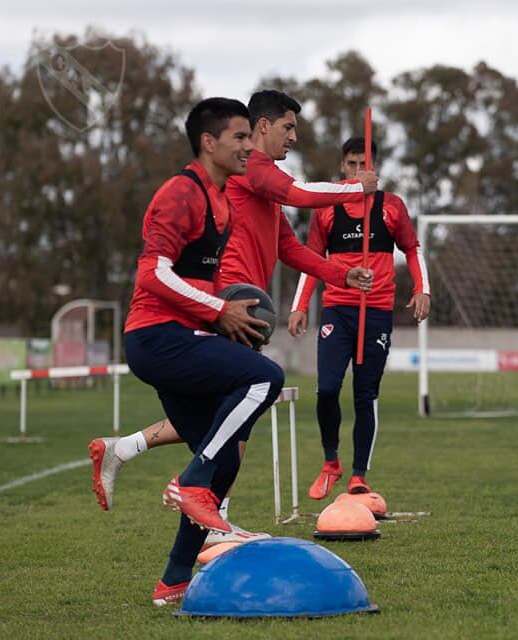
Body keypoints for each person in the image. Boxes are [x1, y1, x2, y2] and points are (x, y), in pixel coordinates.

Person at [87, 90, 378, 544]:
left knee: (215, 421)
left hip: (240, 308)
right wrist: (354, 188)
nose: (293, 137)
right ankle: (207, 512)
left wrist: (342, 273)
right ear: (262, 127)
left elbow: (289, 248)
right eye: (287, 127)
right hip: (225, 307)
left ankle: (130, 454)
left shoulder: (259, 182)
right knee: (237, 412)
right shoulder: (258, 172)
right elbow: (301, 193)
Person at [122, 97, 284, 606]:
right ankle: (190, 481)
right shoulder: (180, 193)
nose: (247, 146)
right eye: (239, 137)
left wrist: (230, 318)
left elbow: (207, 283)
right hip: (154, 337)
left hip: (183, 335)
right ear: (208, 142)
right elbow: (154, 273)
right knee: (265, 378)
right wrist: (219, 311)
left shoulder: (223, 204)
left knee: (225, 461)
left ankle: (172, 583)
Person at [288, 137, 430, 499]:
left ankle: (357, 475)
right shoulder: (326, 209)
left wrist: (421, 289)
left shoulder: (391, 207)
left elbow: (412, 249)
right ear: (342, 167)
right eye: (350, 164)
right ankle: (330, 462)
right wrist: (300, 305)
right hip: (338, 308)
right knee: (327, 389)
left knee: (365, 395)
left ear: (375, 168)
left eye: (363, 164)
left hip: (378, 312)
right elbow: (310, 259)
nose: (357, 171)